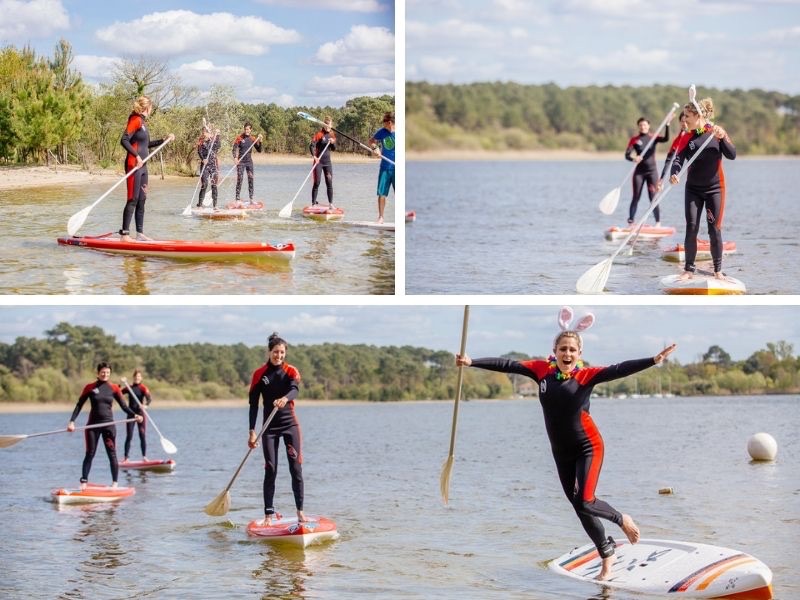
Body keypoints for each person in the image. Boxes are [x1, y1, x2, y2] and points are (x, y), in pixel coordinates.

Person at [455, 307, 677, 581]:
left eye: (573, 349)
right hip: (561, 453)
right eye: (563, 349)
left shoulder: (586, 376)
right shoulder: (540, 371)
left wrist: (653, 360)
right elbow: (507, 364)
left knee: (586, 499)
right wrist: (470, 361)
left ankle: (622, 519)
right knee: (578, 505)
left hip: (588, 447)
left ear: (579, 354)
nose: (568, 354)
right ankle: (607, 556)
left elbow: (619, 369)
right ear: (555, 350)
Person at [669, 96, 736, 281]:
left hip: (715, 188)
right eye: (683, 117)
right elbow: (678, 160)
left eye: (687, 116)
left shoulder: (716, 132)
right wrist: (674, 174)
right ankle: (689, 270)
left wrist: (723, 137)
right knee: (691, 227)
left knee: (714, 229)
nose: (684, 120)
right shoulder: (686, 136)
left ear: (698, 116)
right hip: (693, 189)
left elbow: (732, 155)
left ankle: (717, 271)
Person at [248, 333, 306, 526]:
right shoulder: (259, 374)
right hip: (269, 428)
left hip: (290, 425)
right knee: (270, 468)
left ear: (285, 353)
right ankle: (268, 515)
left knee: (295, 467)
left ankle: (300, 512)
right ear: (269, 352)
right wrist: (252, 431)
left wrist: (285, 398)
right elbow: (254, 405)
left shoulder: (291, 371)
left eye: (282, 352)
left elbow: (295, 389)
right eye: (275, 352)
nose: (278, 356)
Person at [67, 362, 143, 489]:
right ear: (97, 373)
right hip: (92, 426)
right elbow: (79, 405)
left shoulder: (114, 388)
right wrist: (72, 421)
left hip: (109, 425)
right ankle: (84, 482)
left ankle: (114, 484)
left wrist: (134, 415)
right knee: (90, 453)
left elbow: (124, 406)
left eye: (107, 372)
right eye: (103, 372)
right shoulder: (89, 387)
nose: (105, 374)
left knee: (112, 454)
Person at [119, 96, 175, 242]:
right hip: (134, 164)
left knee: (142, 199)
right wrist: (136, 156)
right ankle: (124, 234)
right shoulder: (135, 119)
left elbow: (146, 144)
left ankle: (139, 233)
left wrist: (164, 140)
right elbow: (124, 140)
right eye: (151, 107)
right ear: (147, 107)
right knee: (133, 199)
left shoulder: (143, 123)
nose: (152, 109)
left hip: (143, 166)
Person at [625, 117, 670, 226]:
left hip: (652, 172)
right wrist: (634, 158)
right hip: (639, 173)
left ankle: (658, 223)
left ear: (648, 126)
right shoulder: (634, 139)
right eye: (641, 125)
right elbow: (627, 155)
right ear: (638, 127)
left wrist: (667, 125)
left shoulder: (653, 137)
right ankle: (631, 222)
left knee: (653, 197)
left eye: (645, 125)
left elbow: (666, 139)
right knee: (636, 197)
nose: (643, 127)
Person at [369, 111, 395, 224]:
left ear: (389, 122)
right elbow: (371, 141)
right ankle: (381, 217)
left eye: (384, 121)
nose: (382, 123)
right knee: (382, 193)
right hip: (385, 167)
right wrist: (376, 149)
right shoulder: (382, 132)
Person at [121, 369, 152, 462]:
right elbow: (119, 392)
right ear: (133, 377)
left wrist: (145, 406)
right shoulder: (129, 387)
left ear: (141, 378)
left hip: (141, 414)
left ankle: (144, 457)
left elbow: (149, 399)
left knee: (142, 434)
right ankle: (126, 458)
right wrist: (122, 383)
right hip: (131, 414)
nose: (137, 378)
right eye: (136, 376)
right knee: (129, 436)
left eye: (139, 376)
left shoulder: (143, 388)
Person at [657, 111, 689, 191]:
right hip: (676, 155)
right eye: (682, 121)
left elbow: (703, 129)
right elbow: (668, 162)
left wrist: (708, 125)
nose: (684, 123)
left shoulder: (695, 132)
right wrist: (662, 179)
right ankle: (661, 182)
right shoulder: (679, 138)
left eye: (686, 121)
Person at [309, 116, 336, 208]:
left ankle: (331, 204)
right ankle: (313, 204)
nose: (328, 126)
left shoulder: (332, 134)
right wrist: (315, 157)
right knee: (317, 182)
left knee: (329, 183)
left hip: (328, 163)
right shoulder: (319, 134)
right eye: (326, 124)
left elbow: (334, 148)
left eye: (329, 124)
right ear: (324, 125)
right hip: (318, 162)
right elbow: (311, 145)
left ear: (331, 125)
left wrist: (333, 143)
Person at [232, 123, 262, 204]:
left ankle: (251, 199)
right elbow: (234, 149)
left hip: (249, 162)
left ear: (251, 130)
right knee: (240, 179)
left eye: (248, 129)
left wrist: (260, 141)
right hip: (240, 162)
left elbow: (259, 150)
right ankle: (237, 199)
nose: (246, 131)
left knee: (250, 179)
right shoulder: (239, 138)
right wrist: (235, 158)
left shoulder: (253, 139)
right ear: (244, 129)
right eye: (245, 129)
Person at [196, 125, 221, 209]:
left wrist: (218, 135)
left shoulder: (213, 140)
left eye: (206, 132)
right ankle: (200, 204)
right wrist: (203, 159)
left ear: (209, 133)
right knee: (205, 184)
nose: (204, 133)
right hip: (205, 165)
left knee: (214, 185)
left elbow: (218, 146)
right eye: (203, 132)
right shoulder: (201, 141)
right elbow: (199, 151)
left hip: (213, 165)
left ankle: (215, 206)